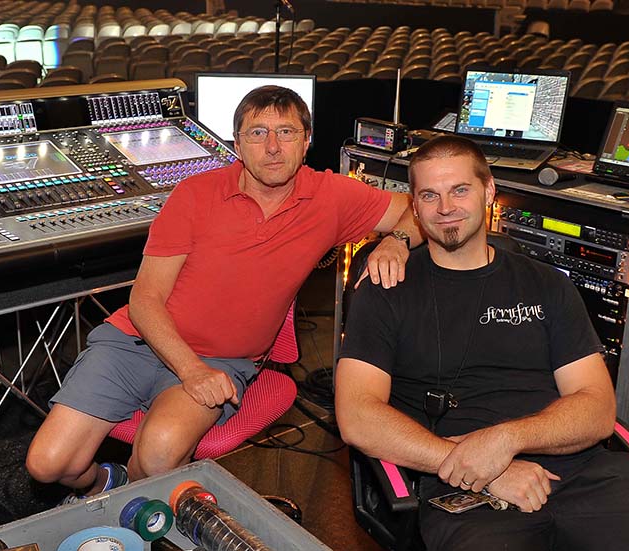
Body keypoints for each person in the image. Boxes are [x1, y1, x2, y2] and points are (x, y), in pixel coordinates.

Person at [25, 85, 419, 501]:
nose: (272, 147)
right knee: (50, 465)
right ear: (236, 145)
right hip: (136, 342)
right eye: (256, 133)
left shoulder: (332, 196)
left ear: (307, 142)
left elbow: (417, 208)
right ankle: (106, 485)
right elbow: (144, 300)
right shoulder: (195, 194)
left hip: (223, 360)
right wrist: (190, 370)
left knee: (157, 457)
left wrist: (397, 240)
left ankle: (124, 522)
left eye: (286, 132)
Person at [335, 135, 629, 551]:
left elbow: (596, 408)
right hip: (463, 487)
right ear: (414, 206)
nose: (445, 208)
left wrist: (505, 441)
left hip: (580, 477)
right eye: (430, 195)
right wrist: (484, 469)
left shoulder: (547, 286)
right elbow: (356, 416)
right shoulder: (386, 290)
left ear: (489, 192)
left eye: (460, 190)